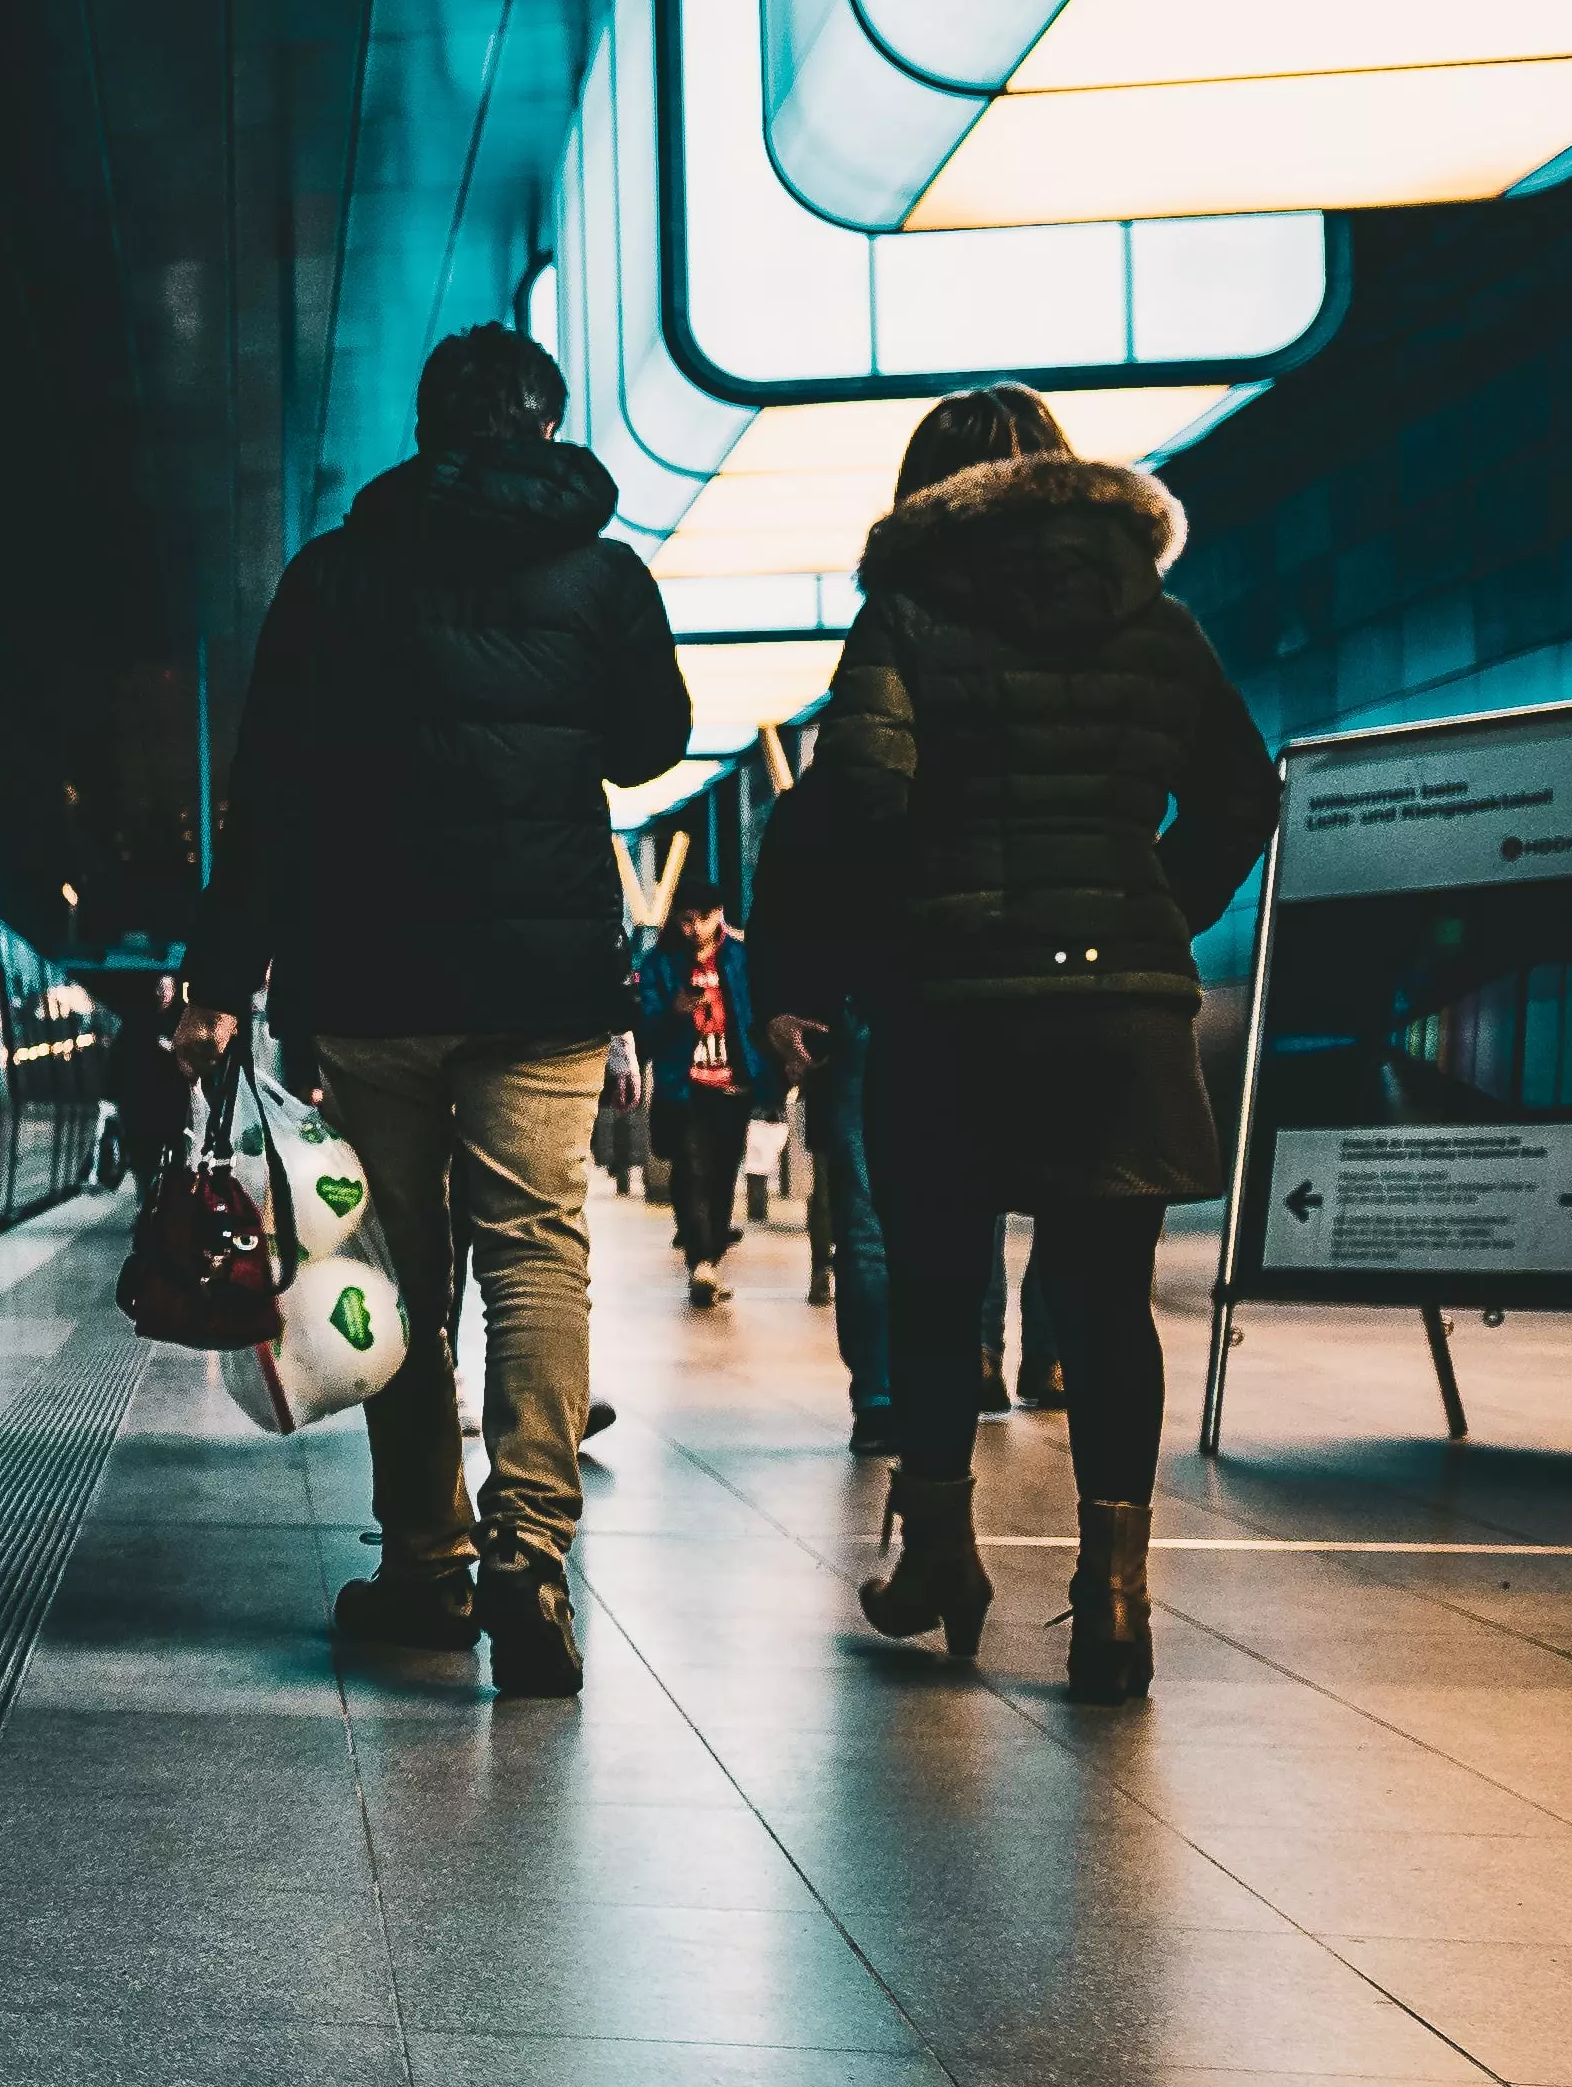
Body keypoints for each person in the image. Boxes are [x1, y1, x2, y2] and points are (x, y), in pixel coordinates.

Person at [180, 323, 690, 1696]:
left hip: (378, 976)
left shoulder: (337, 580)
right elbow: (648, 742)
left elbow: (269, 799)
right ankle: (532, 1550)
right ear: (550, 422)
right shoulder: (604, 579)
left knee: (400, 1276)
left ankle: (427, 1567)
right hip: (544, 987)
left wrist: (221, 981)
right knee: (538, 1248)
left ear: (428, 427)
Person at [758, 388, 1274, 1697]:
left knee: (939, 1286)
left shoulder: (909, 620)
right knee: (1107, 1303)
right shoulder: (1155, 620)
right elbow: (1242, 790)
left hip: (955, 1013)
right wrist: (1151, 904)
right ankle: (1112, 1601)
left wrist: (854, 946)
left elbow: (863, 795)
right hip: (1120, 1016)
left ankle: (943, 1558)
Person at [639, 880, 760, 1305]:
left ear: (719, 915)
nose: (695, 928)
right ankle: (700, 1262)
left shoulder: (741, 959)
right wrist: (672, 1011)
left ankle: (712, 1255)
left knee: (724, 1171)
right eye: (686, 919)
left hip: (733, 1084)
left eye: (703, 918)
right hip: (684, 1083)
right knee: (691, 1168)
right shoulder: (661, 964)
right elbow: (644, 1027)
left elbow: (754, 1015)